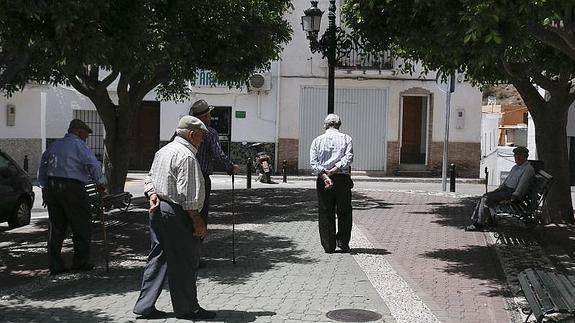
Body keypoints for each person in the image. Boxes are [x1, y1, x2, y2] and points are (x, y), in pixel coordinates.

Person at [133, 116, 216, 320]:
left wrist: (152, 194)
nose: (203, 139)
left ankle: (144, 306)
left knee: (158, 257)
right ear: (191, 134)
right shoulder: (186, 156)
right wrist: (198, 222)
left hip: (158, 209)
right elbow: (188, 195)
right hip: (176, 212)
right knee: (184, 261)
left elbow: (150, 178)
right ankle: (188, 308)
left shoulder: (163, 151)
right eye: (201, 135)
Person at [38, 119, 107, 275]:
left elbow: (43, 166)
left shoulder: (55, 145)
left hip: (53, 187)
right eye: (85, 135)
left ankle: (55, 265)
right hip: (72, 187)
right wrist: (101, 182)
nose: (86, 138)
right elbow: (94, 164)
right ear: (79, 132)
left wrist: (44, 187)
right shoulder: (78, 145)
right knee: (82, 224)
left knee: (56, 227)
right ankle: (80, 262)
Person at [190, 99, 239, 227]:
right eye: (209, 115)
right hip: (202, 178)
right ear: (205, 117)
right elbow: (218, 155)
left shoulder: (184, 131)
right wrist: (230, 167)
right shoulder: (210, 133)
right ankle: (198, 240)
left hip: (184, 177)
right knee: (201, 212)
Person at [310, 114, 354, 253]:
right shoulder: (347, 139)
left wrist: (325, 175)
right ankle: (343, 243)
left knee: (325, 211)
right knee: (344, 211)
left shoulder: (317, 140)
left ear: (325, 125)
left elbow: (314, 162)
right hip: (342, 178)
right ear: (339, 125)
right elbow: (348, 158)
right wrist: (335, 169)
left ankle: (329, 246)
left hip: (323, 180)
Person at [465, 146, 535, 231]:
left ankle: (479, 223)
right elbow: (506, 181)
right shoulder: (515, 167)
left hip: (511, 193)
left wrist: (513, 198)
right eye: (515, 155)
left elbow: (522, 185)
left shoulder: (528, 169)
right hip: (505, 190)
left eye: (519, 155)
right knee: (485, 197)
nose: (517, 157)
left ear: (525, 156)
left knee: (485, 199)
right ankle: (485, 221)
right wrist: (498, 189)